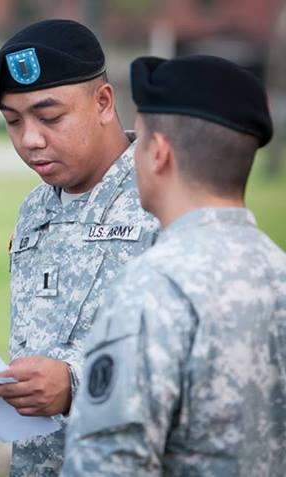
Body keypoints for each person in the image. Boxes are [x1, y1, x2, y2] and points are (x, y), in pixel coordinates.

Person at [62, 55, 286, 475]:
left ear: (159, 154)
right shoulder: (278, 273)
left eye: (140, 141)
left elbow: (108, 464)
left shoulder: (152, 288)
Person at [0, 19, 158, 475]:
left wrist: (77, 384)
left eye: (50, 117)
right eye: (12, 122)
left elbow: (208, 360)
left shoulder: (163, 201)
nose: (30, 140)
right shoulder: (35, 209)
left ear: (103, 102)